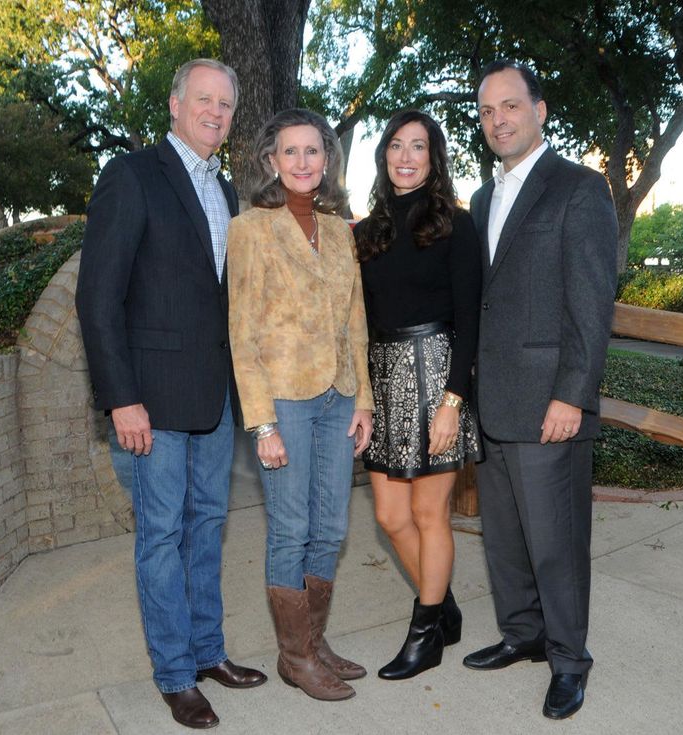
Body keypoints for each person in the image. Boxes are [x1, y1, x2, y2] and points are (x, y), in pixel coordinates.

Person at [75, 58, 266, 730]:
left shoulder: (227, 192)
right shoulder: (131, 176)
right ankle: (175, 674)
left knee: (207, 530)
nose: (215, 112)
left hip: (212, 401)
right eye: (204, 99)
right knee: (160, 537)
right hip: (151, 403)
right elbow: (98, 297)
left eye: (226, 104)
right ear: (175, 104)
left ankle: (209, 651)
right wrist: (120, 397)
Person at [463, 60, 618, 720]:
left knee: (556, 542)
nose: (499, 119)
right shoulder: (481, 198)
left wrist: (572, 395)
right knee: (503, 537)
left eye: (511, 106)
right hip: (493, 401)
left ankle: (568, 659)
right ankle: (523, 634)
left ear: (540, 110)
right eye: (488, 110)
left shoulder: (578, 189)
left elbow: (591, 303)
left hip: (549, 401)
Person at [227, 108, 374, 702]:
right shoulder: (250, 229)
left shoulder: (340, 229)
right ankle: (295, 658)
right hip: (283, 400)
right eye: (291, 152)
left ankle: (314, 643)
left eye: (313, 151)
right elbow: (242, 332)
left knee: (332, 525)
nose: (303, 162)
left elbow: (356, 323)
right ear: (271, 161)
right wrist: (261, 423)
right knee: (290, 528)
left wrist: (363, 399)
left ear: (327, 160)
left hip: (339, 398)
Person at [353, 110, 481, 680]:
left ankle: (425, 631)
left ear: (434, 159)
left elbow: (470, 318)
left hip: (435, 375)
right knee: (389, 515)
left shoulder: (456, 223)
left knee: (430, 514)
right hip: (381, 377)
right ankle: (444, 604)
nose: (406, 156)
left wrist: (454, 400)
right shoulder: (366, 232)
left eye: (419, 147)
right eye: (396, 146)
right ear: (384, 156)